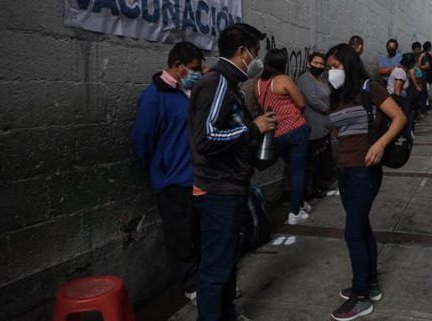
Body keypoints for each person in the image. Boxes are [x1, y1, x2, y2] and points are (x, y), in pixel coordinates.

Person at [190, 23, 276, 321]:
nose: (257, 59)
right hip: (218, 190)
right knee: (216, 268)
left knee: (226, 263)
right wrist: (253, 129)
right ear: (242, 52)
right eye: (255, 52)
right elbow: (206, 137)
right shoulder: (217, 83)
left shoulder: (230, 84)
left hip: (230, 187)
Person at [326, 43, 407, 321]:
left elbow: (399, 117)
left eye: (335, 66)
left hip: (365, 169)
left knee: (352, 232)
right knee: (361, 227)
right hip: (345, 169)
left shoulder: (369, 87)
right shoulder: (338, 94)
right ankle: (369, 284)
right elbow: (339, 129)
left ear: (348, 64)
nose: (331, 72)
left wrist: (380, 144)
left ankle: (360, 297)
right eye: (329, 67)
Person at [131, 41, 205, 302]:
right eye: (194, 69)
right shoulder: (154, 97)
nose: (198, 73)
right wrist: (161, 167)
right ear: (177, 66)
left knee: (199, 233)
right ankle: (191, 285)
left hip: (197, 178)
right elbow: (142, 140)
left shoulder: (189, 92)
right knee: (180, 237)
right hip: (173, 181)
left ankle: (205, 280)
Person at [255, 48, 312, 225]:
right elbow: (301, 103)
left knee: (292, 167)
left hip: (275, 134)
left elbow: (263, 108)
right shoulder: (284, 79)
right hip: (295, 130)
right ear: (282, 63)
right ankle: (294, 213)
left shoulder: (258, 84)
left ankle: (299, 203)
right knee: (297, 171)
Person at [297, 52, 335, 198]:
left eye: (321, 64)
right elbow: (312, 100)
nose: (319, 66)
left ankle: (319, 186)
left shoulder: (321, 78)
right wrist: (327, 109)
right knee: (312, 159)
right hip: (313, 125)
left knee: (320, 159)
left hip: (324, 126)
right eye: (316, 63)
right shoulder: (304, 79)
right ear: (308, 64)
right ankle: (312, 190)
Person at [418, 41, 432, 114]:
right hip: (426, 76)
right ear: (429, 47)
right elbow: (428, 66)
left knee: (426, 91)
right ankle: (425, 106)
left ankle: (426, 105)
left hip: (428, 76)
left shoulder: (426, 54)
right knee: (425, 92)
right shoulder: (424, 55)